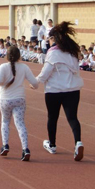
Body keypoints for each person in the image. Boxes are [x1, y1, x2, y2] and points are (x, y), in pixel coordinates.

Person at [35, 21, 84, 161]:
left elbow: (46, 72)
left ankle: (52, 144)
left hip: (54, 90)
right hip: (73, 89)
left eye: (49, 39)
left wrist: (36, 82)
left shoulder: (52, 53)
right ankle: (78, 142)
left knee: (52, 117)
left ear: (54, 39)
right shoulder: (72, 52)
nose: (48, 42)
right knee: (73, 118)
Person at [0, 46, 39, 161]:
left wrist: (4, 83)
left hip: (5, 99)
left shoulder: (3, 67)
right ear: (19, 56)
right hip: (19, 99)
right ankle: (25, 149)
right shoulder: (24, 67)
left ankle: (5, 145)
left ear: (7, 56)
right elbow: (34, 82)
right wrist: (33, 86)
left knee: (5, 122)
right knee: (20, 124)